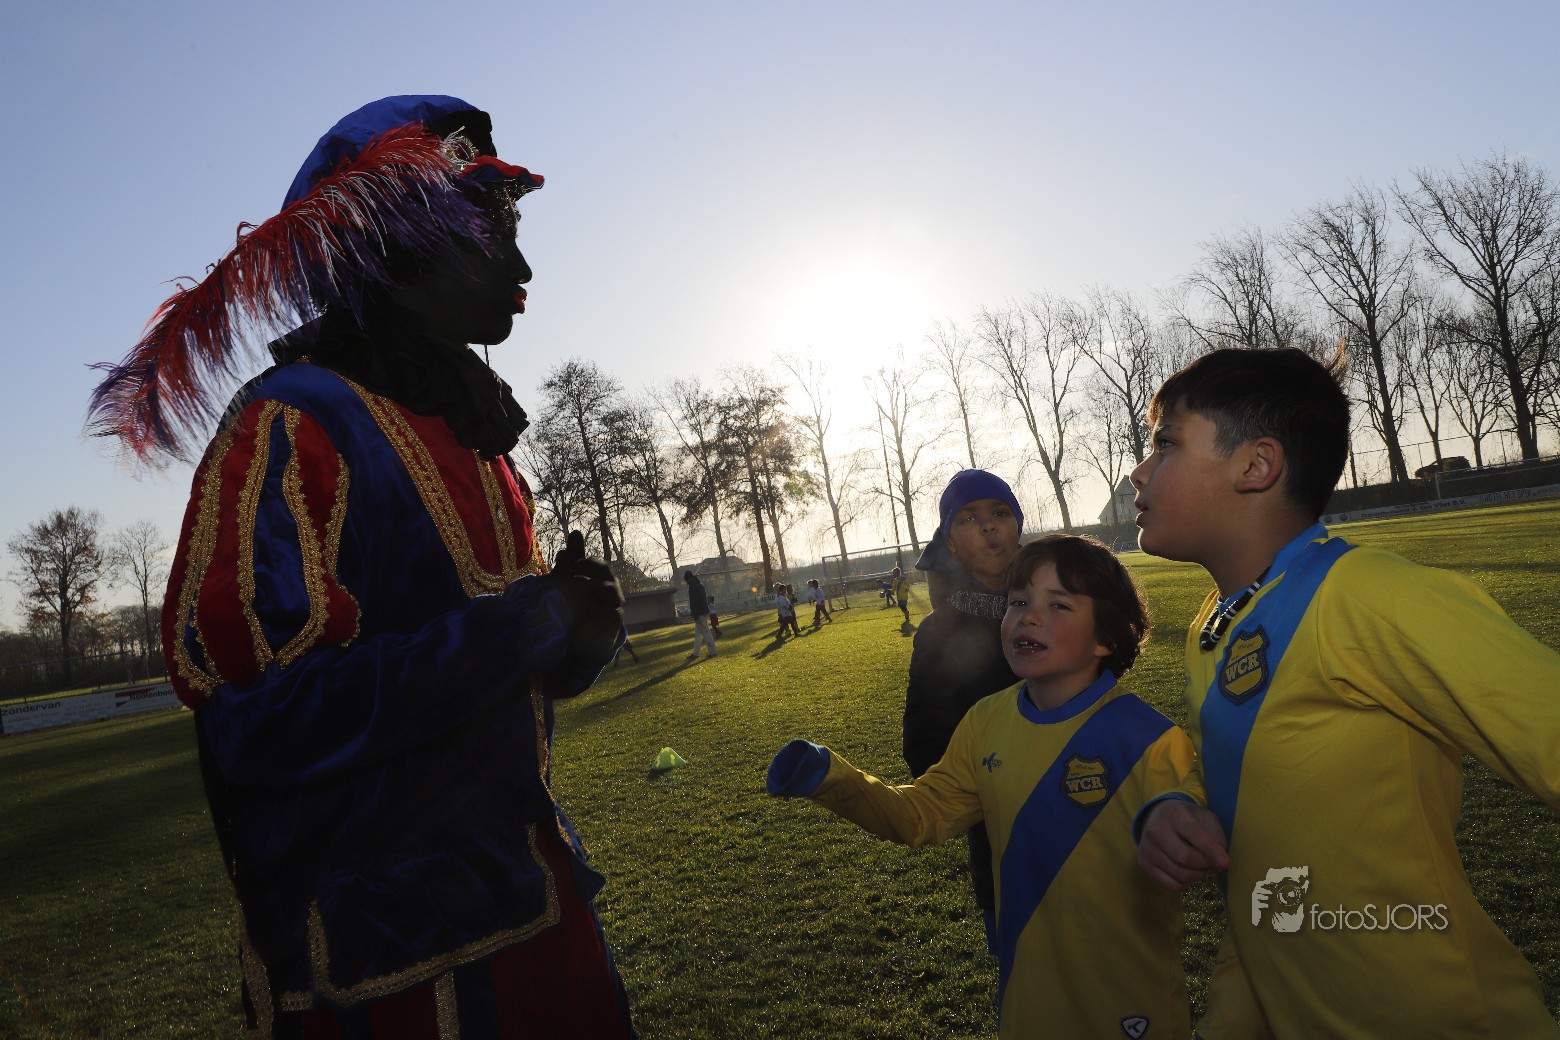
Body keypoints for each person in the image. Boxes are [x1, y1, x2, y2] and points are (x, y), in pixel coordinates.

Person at [88, 95, 637, 1038]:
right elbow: (258, 725)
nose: (522, 268)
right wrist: (519, 630)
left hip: (540, 914)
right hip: (393, 976)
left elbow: (482, 680)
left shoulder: (473, 431)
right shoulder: (291, 426)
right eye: (493, 235)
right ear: (396, 248)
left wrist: (572, 638)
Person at [1131, 347, 1560, 1037]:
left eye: (1166, 443)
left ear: (1256, 466)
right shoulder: (1220, 619)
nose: (1139, 470)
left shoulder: (1363, 595)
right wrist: (1177, 806)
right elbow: (1250, 794)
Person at [767, 535, 1194, 1038]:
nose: (1028, 618)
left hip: (1128, 1002)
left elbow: (1218, 846)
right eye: (1018, 602)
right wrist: (831, 777)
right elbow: (921, 814)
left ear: (1106, 637)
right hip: (1028, 999)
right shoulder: (986, 721)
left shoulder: (1150, 741)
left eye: (1058, 605)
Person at [901, 469, 1024, 947]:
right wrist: (1000, 776)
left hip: (1094, 829)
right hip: (1004, 853)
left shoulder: (1057, 603)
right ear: (950, 542)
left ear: (1018, 525)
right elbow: (926, 751)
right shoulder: (940, 633)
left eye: (1000, 513)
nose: (989, 526)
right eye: (969, 518)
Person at [684, 571, 717, 660]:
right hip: (704, 611)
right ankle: (696, 653)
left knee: (705, 632)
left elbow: (694, 603)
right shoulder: (700, 585)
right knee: (698, 634)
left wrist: (695, 616)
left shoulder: (692, 587)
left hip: (699, 613)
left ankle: (712, 651)